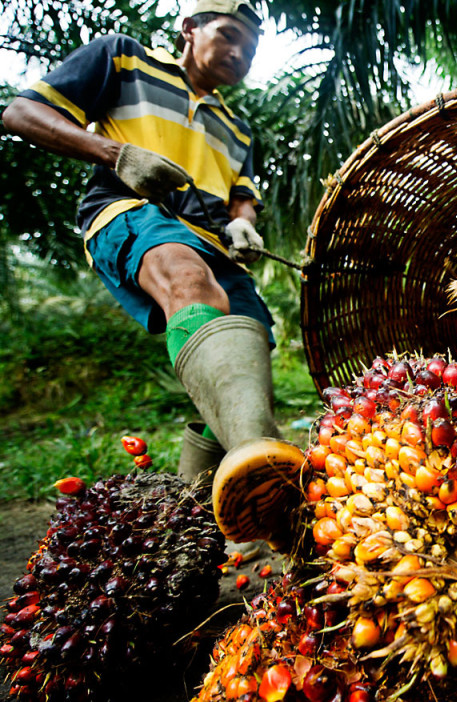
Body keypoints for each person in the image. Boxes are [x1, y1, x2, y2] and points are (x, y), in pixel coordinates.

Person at [2, 0, 304, 557]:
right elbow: (21, 113)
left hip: (218, 247)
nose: (241, 53)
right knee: (187, 280)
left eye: (252, 48)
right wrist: (115, 153)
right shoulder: (124, 59)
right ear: (190, 29)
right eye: (230, 35)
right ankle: (273, 487)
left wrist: (243, 225)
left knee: (248, 353)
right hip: (130, 210)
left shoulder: (238, 128)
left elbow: (243, 198)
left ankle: (197, 525)